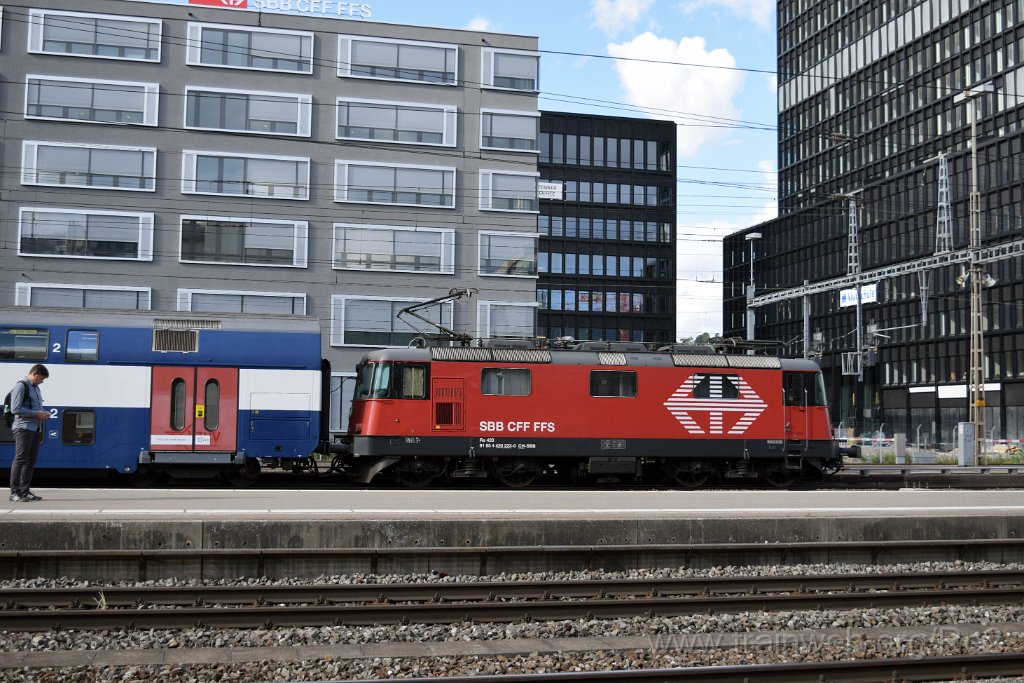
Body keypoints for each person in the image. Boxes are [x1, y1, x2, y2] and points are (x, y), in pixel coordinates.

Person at [9, 364, 49, 503]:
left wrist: (43, 413)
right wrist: (36, 414)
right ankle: (14, 492)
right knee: (20, 460)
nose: (42, 381)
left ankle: (25, 491)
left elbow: (35, 407)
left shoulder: (36, 388)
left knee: (30, 461)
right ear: (35, 373)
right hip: (23, 428)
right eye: (42, 378)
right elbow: (15, 409)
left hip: (35, 428)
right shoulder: (21, 386)